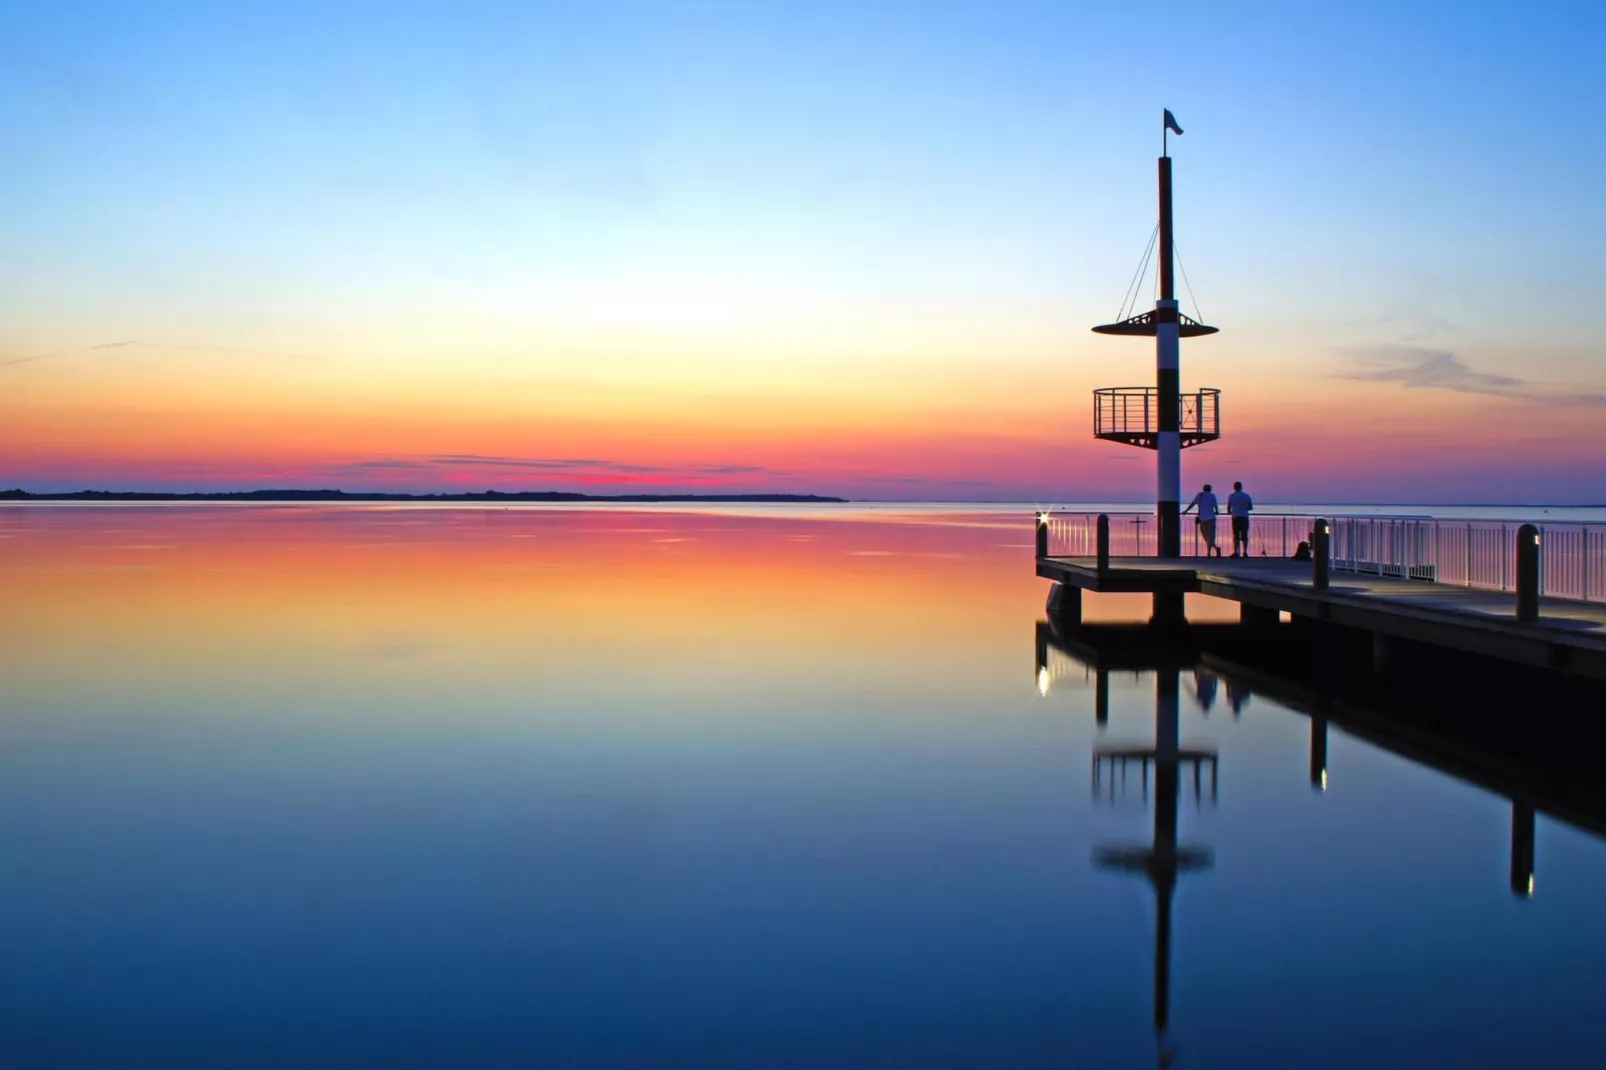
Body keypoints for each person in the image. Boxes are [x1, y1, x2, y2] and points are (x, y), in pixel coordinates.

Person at [1181, 483, 1220, 556]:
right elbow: (1215, 505)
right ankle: (1214, 549)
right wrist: (1217, 511)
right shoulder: (1212, 496)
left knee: (1206, 536)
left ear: (1203, 489)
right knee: (1210, 536)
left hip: (1203, 518)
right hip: (1211, 518)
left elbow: (1192, 504)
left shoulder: (1200, 495)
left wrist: (1186, 511)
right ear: (1210, 489)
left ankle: (1209, 552)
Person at [1227, 481, 1254, 558]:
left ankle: (1235, 552)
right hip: (1244, 517)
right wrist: (1244, 509)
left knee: (1235, 535)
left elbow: (1228, 508)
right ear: (1241, 487)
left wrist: (1230, 512)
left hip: (1235, 517)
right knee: (1244, 535)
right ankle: (1245, 552)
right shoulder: (1246, 496)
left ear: (1234, 487)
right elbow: (1250, 507)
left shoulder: (1231, 496)